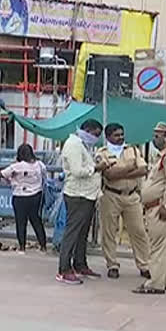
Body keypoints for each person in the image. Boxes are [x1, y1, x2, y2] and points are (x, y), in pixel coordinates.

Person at [133, 122, 166, 295]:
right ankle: (164, 281)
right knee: (164, 245)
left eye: (157, 136)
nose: (154, 139)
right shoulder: (163, 156)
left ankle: (155, 283)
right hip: (156, 205)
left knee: (157, 246)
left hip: (161, 206)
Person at [56, 119, 107, 285]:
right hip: (77, 195)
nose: (96, 138)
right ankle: (64, 269)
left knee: (82, 233)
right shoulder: (73, 145)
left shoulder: (84, 145)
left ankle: (80, 263)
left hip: (88, 195)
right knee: (73, 232)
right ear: (87, 130)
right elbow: (77, 171)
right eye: (95, 134)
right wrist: (96, 168)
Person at [97, 123, 151, 279]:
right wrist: (130, 168)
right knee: (109, 232)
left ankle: (144, 264)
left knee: (139, 231)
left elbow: (143, 169)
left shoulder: (132, 150)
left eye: (121, 134)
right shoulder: (102, 153)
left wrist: (121, 171)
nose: (120, 137)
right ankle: (112, 264)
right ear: (108, 137)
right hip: (111, 195)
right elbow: (109, 175)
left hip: (132, 196)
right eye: (116, 135)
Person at [1, 143, 48, 253]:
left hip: (19, 195)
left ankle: (22, 247)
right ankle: (43, 245)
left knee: (20, 222)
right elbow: (44, 176)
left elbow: (3, 174)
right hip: (36, 195)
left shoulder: (17, 166)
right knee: (36, 220)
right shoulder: (40, 165)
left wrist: (11, 181)